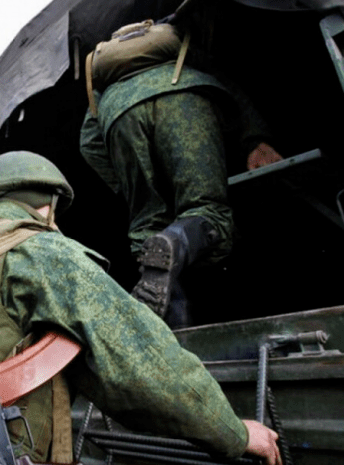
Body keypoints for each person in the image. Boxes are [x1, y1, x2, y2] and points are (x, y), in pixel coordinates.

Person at [0, 151, 281, 464]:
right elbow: (137, 358)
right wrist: (233, 432)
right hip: (1, 450)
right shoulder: (39, 251)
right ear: (49, 205)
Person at [80, 18, 283, 327]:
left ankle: (177, 332)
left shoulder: (108, 76)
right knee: (207, 210)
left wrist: (127, 181)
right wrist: (255, 140)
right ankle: (175, 240)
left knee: (148, 229)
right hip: (182, 96)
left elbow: (89, 142)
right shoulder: (180, 45)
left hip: (119, 115)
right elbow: (227, 85)